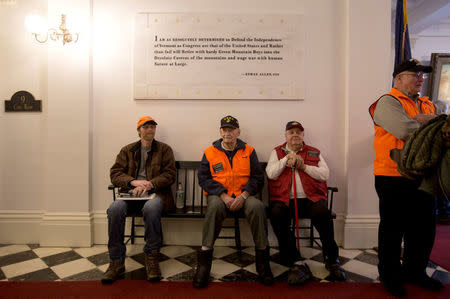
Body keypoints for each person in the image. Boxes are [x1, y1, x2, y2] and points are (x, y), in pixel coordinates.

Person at [369, 59, 443, 297]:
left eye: (422, 75)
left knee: (423, 229)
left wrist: (426, 120)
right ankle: (390, 276)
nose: (420, 79)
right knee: (392, 230)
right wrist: (429, 122)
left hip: (423, 176)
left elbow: (441, 127)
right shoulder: (386, 102)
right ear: (398, 78)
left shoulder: (426, 103)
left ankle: (415, 272)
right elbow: (405, 130)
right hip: (393, 176)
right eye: (415, 74)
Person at [193, 115, 273, 288]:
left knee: (258, 207)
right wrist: (223, 196)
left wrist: (244, 196)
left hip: (244, 196)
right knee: (213, 207)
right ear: (220, 131)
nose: (228, 133)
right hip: (219, 197)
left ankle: (263, 262)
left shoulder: (249, 151)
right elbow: (203, 178)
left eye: (231, 129)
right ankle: (204, 264)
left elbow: (258, 178)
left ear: (238, 131)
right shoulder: (209, 152)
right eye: (225, 129)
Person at [266, 121, 346, 285]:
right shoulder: (276, 152)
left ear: (303, 136)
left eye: (298, 132)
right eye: (291, 132)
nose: (295, 135)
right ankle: (296, 261)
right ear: (286, 136)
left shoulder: (314, 152)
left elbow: (324, 174)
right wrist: (285, 160)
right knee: (275, 214)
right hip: (284, 199)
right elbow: (271, 174)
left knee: (323, 213)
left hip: (312, 199)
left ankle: (332, 259)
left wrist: (304, 167)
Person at [101, 116, 176, 284]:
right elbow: (115, 174)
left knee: (151, 208)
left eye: (152, 127)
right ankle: (116, 262)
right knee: (114, 209)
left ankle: (152, 258)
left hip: (156, 194)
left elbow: (170, 174)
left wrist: (150, 184)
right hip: (131, 194)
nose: (150, 130)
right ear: (139, 130)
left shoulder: (165, 150)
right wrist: (132, 182)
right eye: (146, 127)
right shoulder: (127, 150)